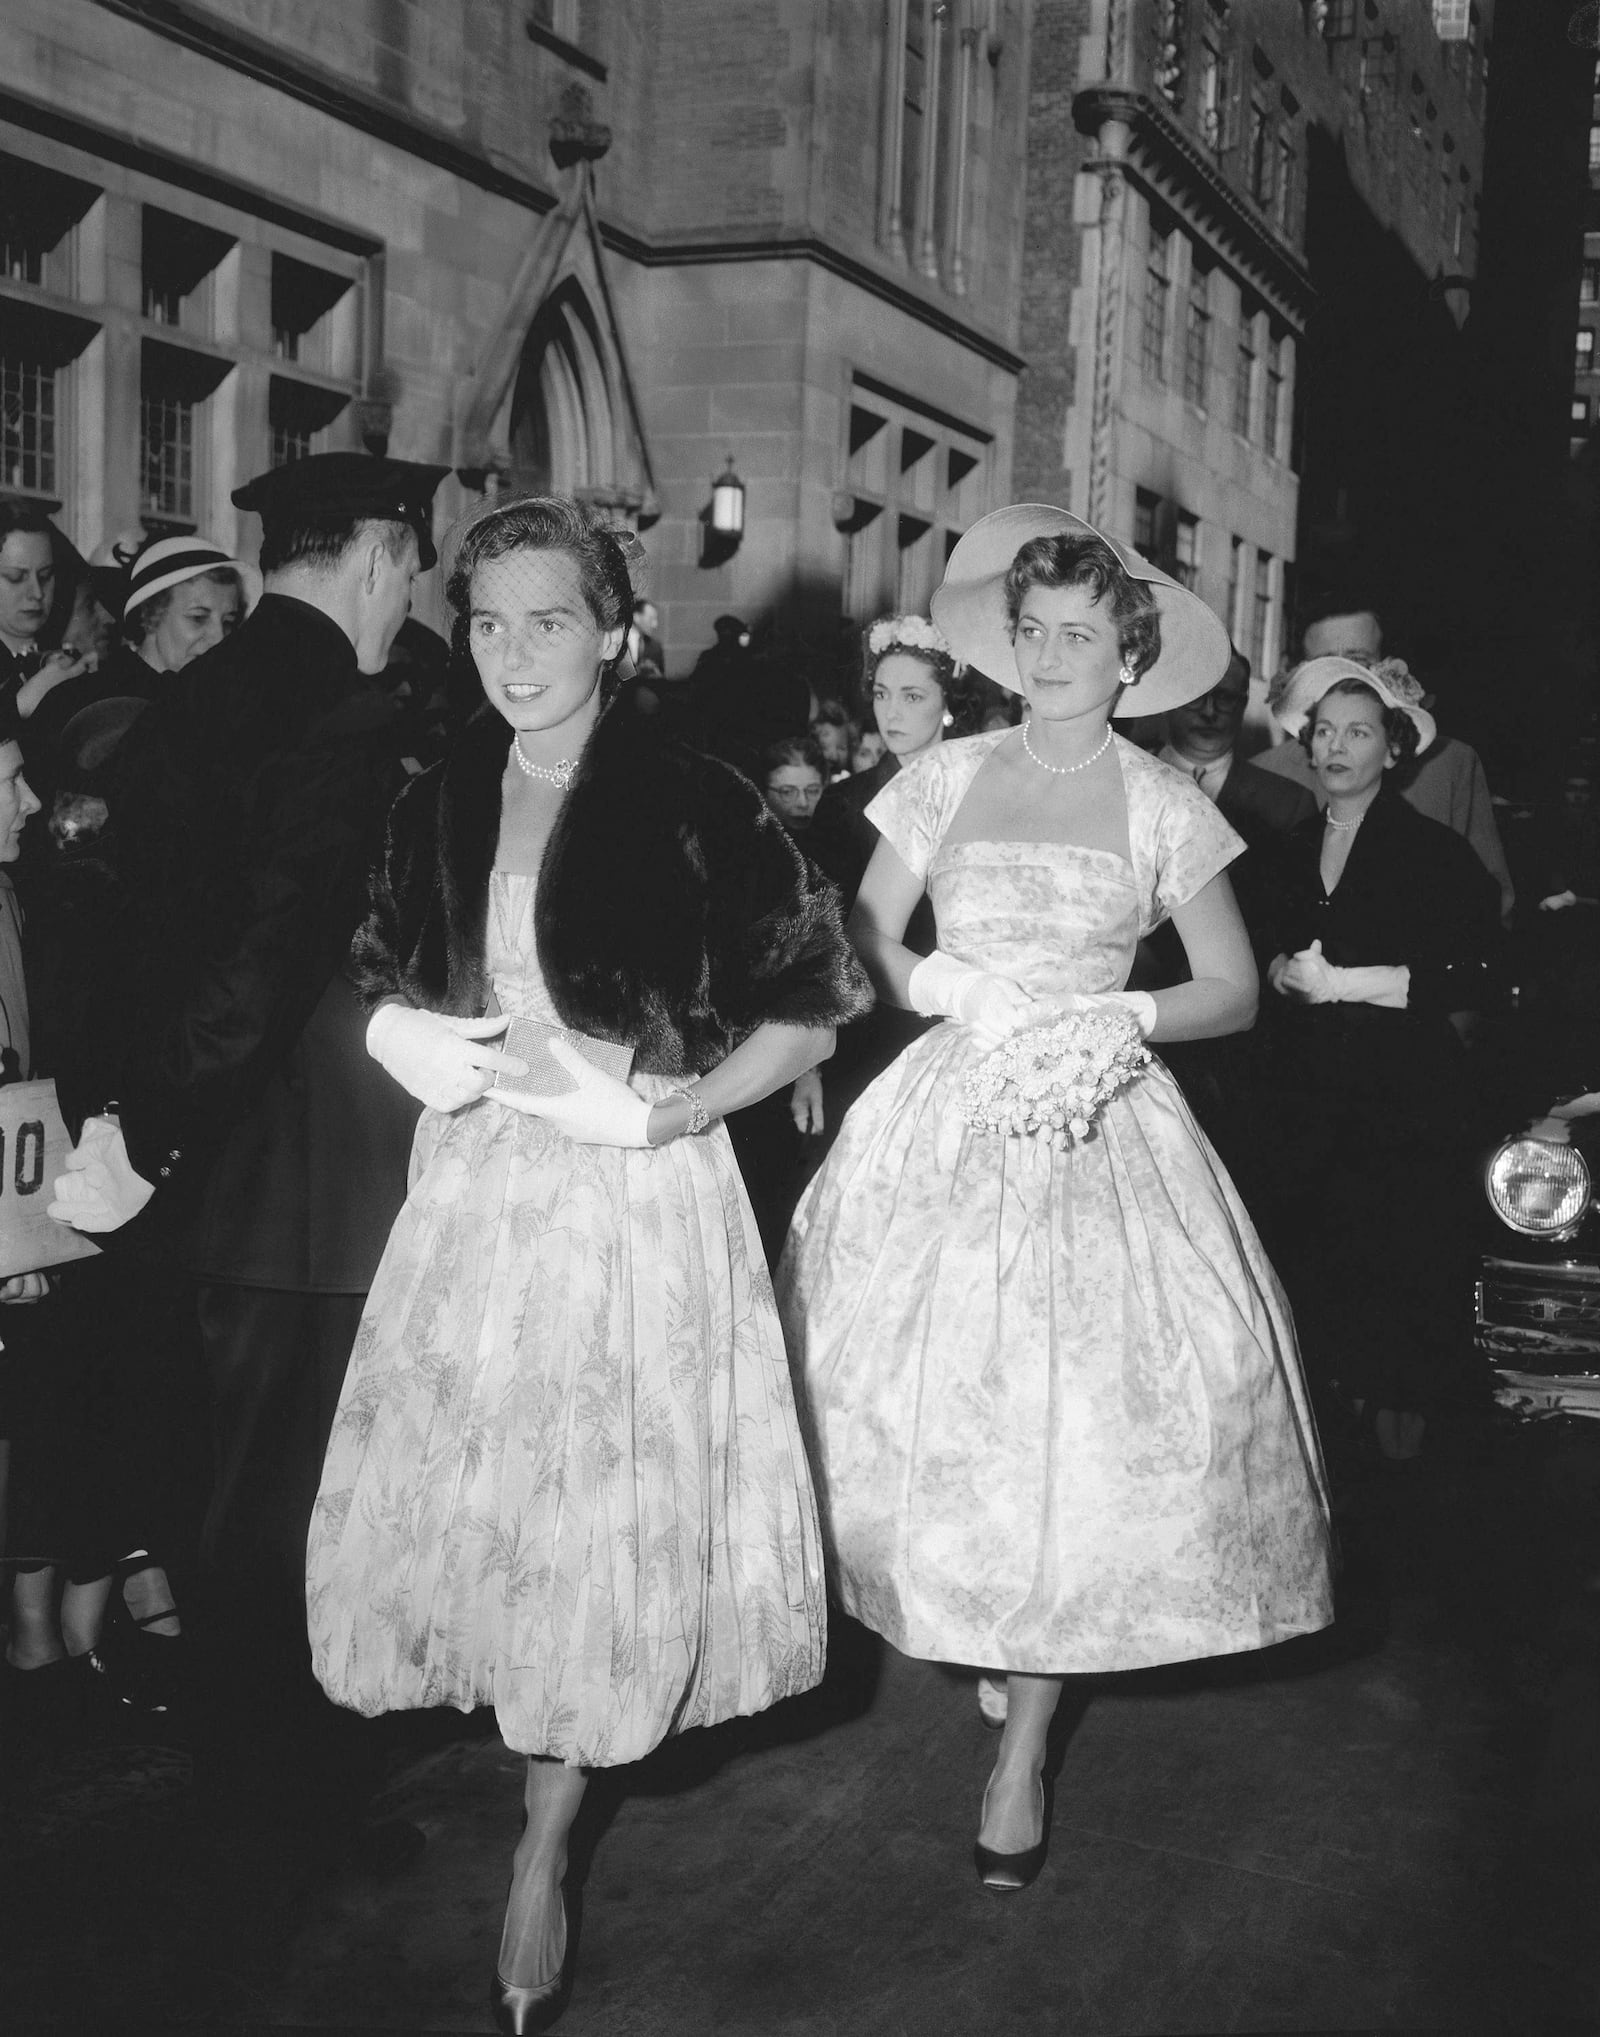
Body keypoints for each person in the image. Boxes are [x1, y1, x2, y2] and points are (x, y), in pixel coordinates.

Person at [305, 494, 869, 2031]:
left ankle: (547, 1834)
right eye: (486, 622)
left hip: (633, 1194)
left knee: (594, 1503)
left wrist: (675, 1107)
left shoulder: (696, 796)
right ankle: (525, 1771)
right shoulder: (434, 793)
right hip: (477, 1192)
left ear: (620, 634)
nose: (512, 654)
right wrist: (394, 1028)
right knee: (491, 1499)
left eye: (548, 620)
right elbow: (375, 974)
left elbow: (812, 1008)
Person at [778, 504, 1333, 1897]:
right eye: (1034, 633)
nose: (1055, 655)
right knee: (925, 1404)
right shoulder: (946, 777)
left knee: (1072, 1429)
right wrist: (943, 983)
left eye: (1083, 634)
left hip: (1095, 1118)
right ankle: (966, 1617)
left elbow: (1234, 989)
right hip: (949, 1112)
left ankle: (1023, 1744)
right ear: (1007, 645)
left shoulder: (1165, 802)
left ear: (1128, 650)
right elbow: (861, 930)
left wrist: (1121, 1013)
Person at [46, 450, 446, 1847]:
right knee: (291, 1493)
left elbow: (126, 938)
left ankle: (246, 1755)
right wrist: (167, 1120)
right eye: (413, 570)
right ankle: (278, 1781)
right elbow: (270, 961)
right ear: (385, 552)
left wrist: (131, 1121)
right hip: (301, 1178)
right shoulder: (344, 714)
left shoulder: (180, 704)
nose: (410, 600)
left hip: (186, 1164)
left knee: (210, 1474)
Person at [1259, 657, 1499, 1463]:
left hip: (1399, 1115)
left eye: (1357, 731)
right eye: (1323, 730)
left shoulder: (1435, 854)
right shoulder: (1286, 848)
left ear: (1392, 749)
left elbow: (1476, 975)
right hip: (1303, 1111)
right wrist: (1278, 974)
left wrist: (1351, 983)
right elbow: (1257, 948)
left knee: (1389, 1294)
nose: (1335, 746)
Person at [805, 613, 972, 1148]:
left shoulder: (978, 796)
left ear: (948, 704)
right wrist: (805, 1058)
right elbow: (816, 934)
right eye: (881, 694)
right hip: (863, 1025)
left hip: (960, 1015)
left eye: (912, 697)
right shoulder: (843, 806)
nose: (891, 713)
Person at [1256, 601, 1514, 920]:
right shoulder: (1265, 773)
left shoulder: (1451, 765)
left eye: (1358, 661)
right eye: (1325, 663)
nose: (1342, 678)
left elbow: (1494, 904)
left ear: (1389, 668)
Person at [0, 502, 95, 724]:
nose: (37, 593)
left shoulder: (65, 661)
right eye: (16, 577)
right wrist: (24, 701)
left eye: (45, 576)